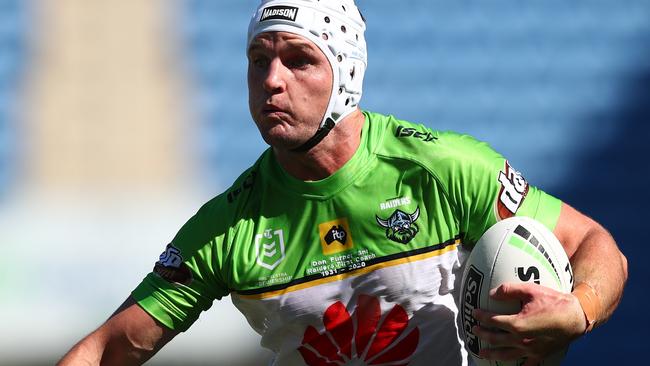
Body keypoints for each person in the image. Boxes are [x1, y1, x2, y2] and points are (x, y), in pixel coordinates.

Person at [58, 0, 628, 365]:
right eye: (259, 59)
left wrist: (576, 311)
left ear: (347, 75)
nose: (271, 81)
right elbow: (107, 349)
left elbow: (596, 247)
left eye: (298, 60)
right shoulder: (226, 225)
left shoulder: (441, 168)